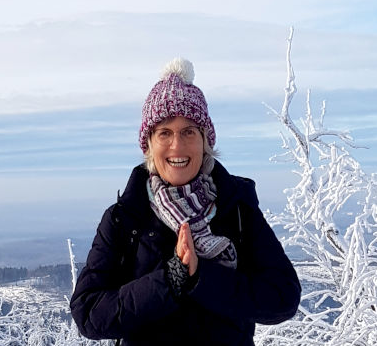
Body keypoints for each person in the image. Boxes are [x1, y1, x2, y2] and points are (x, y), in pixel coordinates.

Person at [70, 58, 301, 345]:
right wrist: (171, 280)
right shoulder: (125, 218)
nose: (177, 146)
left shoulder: (237, 209)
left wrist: (201, 277)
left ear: (205, 141)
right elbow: (88, 313)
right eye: (164, 133)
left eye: (188, 132)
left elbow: (283, 297)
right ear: (149, 144)